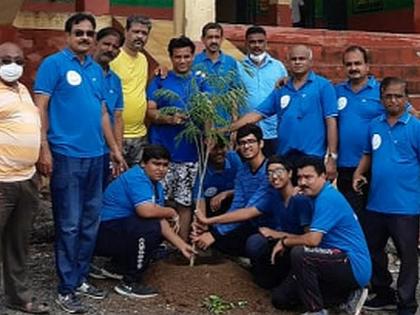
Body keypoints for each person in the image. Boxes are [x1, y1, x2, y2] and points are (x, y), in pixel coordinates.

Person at [34, 13, 124, 313]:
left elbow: (102, 114)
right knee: (69, 224)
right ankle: (66, 287)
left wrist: (114, 149)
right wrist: (43, 148)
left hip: (96, 157)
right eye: (79, 33)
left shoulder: (96, 71)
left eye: (89, 33)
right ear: (68, 35)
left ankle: (81, 277)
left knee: (89, 223)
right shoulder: (53, 65)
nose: (85, 37)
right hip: (67, 156)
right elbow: (41, 107)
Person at [270, 157, 371, 315]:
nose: (303, 182)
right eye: (299, 178)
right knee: (281, 298)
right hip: (326, 259)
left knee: (300, 254)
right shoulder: (312, 197)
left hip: (351, 263)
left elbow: (312, 239)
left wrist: (285, 242)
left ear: (323, 176)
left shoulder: (328, 198)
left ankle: (316, 311)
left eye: (308, 177)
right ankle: (344, 298)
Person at [353, 77, 420, 315]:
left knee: (407, 257)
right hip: (376, 203)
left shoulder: (415, 127)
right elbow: (368, 154)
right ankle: (383, 293)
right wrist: (358, 173)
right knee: (371, 250)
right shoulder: (374, 125)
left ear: (406, 99)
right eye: (388, 96)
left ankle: (407, 304)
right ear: (381, 98)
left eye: (398, 96)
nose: (393, 100)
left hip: (406, 207)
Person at [95, 145, 195, 298]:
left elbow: (159, 219)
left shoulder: (157, 186)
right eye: (156, 164)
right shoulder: (137, 177)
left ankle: (117, 266)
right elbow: (146, 211)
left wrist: (182, 245)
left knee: (156, 227)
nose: (161, 169)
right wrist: (172, 211)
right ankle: (130, 283)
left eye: (165, 165)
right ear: (143, 163)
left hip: (119, 229)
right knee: (148, 228)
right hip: (102, 233)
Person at [231, 45, 338, 180]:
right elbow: (257, 114)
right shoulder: (281, 88)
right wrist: (227, 129)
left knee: (310, 199)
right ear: (288, 62)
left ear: (310, 62)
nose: (297, 62)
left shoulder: (323, 86)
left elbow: (331, 122)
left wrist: (332, 157)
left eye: (302, 59)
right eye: (294, 59)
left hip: (312, 157)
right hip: (286, 157)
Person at [0, 42, 49, 314]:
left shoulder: (22, 90)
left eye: (18, 61)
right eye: (6, 60)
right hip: (2, 182)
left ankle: (18, 297)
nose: (12, 66)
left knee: (18, 243)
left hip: (26, 181)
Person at [146, 36, 205, 241]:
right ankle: (159, 244)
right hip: (162, 152)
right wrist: (169, 118)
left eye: (186, 56)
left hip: (189, 153)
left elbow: (208, 113)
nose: (182, 61)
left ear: (192, 57)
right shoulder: (160, 81)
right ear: (170, 57)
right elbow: (150, 112)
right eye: (177, 57)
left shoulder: (201, 82)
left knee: (184, 202)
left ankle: (181, 244)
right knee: (160, 201)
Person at [192, 124, 271, 257]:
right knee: (220, 240)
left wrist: (212, 229)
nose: (246, 146)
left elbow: (250, 210)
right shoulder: (243, 170)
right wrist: (213, 231)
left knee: (253, 245)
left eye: (251, 142)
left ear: (261, 143)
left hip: (270, 225)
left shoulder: (270, 170)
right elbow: (237, 205)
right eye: (242, 143)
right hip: (250, 222)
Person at [245, 155, 313, 289]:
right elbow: (249, 211)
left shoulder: (300, 200)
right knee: (255, 242)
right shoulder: (274, 196)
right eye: (269, 173)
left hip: (298, 251)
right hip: (279, 248)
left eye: (278, 171)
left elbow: (311, 239)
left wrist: (277, 234)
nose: (274, 176)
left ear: (290, 173)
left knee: (281, 299)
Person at [335, 45, 383, 221]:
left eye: (358, 63)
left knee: (373, 216)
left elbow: (407, 114)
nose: (353, 68)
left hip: (375, 165)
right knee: (351, 216)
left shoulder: (382, 92)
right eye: (349, 64)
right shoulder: (336, 91)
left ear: (367, 66)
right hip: (345, 166)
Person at [237, 26, 288, 157]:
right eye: (252, 42)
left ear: (266, 43)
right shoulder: (238, 67)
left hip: (273, 131)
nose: (257, 45)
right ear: (246, 44)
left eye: (260, 41)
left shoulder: (278, 67)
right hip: (248, 132)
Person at [110, 15, 151, 167]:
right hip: (116, 135)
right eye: (136, 32)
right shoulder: (113, 57)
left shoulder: (143, 59)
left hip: (140, 135)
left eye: (144, 33)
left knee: (135, 183)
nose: (140, 36)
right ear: (126, 31)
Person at [93, 27, 124, 188]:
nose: (110, 49)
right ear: (96, 42)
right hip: (84, 148)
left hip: (106, 150)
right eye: (106, 44)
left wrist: (117, 149)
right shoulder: (83, 72)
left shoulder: (115, 80)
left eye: (115, 47)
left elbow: (118, 117)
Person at [193, 22, 239, 123]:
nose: (214, 41)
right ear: (203, 39)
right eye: (210, 37)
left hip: (224, 123)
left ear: (222, 39)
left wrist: (235, 123)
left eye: (217, 37)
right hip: (199, 125)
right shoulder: (194, 62)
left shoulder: (230, 62)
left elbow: (234, 94)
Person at [193, 138, 242, 218]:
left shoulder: (233, 158)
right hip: (209, 209)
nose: (219, 152)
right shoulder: (201, 168)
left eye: (222, 147)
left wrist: (226, 193)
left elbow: (246, 187)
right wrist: (203, 223)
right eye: (214, 148)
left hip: (234, 205)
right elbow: (198, 199)